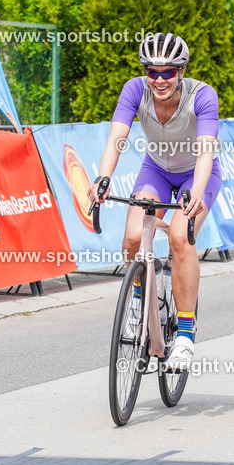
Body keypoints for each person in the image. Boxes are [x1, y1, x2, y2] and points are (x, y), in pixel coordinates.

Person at [90, 32, 221, 369]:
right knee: (134, 237)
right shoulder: (135, 89)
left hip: (197, 172)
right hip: (157, 169)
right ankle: (142, 300)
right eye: (152, 71)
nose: (160, 79)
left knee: (180, 237)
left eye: (168, 72)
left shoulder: (203, 95)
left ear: (182, 70)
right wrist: (103, 179)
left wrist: (196, 193)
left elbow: (206, 152)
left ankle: (186, 334)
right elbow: (117, 138)